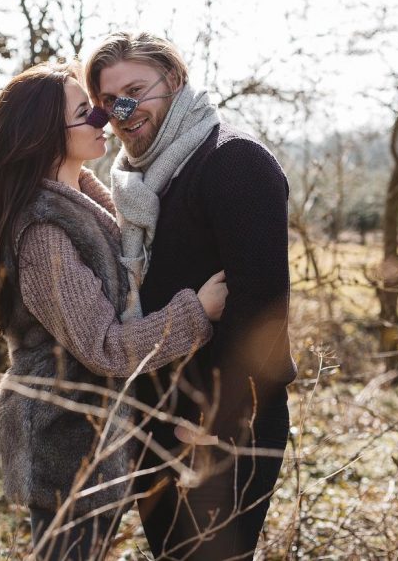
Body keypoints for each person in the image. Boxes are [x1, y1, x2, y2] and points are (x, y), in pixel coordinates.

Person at [0, 61, 228, 560]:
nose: (104, 121)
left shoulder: (87, 198)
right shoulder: (44, 233)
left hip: (95, 436)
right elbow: (106, 347)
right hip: (64, 443)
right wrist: (196, 311)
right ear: (45, 134)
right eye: (85, 114)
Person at [85, 32, 297, 561]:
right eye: (109, 102)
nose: (123, 111)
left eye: (135, 90)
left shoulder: (232, 160)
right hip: (157, 424)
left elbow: (263, 311)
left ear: (174, 79)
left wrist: (217, 423)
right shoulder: (140, 180)